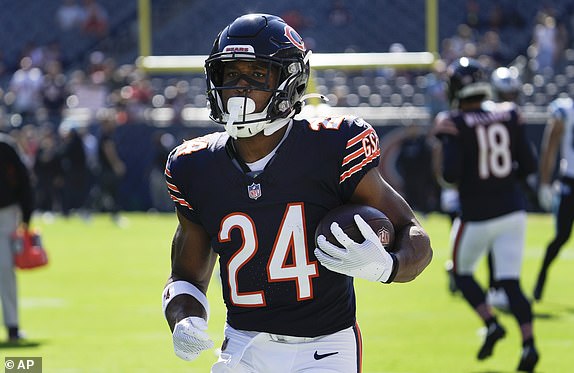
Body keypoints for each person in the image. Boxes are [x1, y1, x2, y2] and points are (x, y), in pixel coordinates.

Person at [162, 14, 433, 373]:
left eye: (257, 75)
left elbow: (416, 237)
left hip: (327, 347)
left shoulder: (333, 146)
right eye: (231, 75)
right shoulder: (194, 166)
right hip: (244, 347)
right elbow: (185, 276)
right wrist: (183, 319)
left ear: (290, 81)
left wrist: (388, 266)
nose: (240, 88)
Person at [432, 57, 539, 372]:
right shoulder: (509, 114)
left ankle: (491, 324)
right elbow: (529, 166)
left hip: (477, 214)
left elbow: (450, 175)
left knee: (460, 273)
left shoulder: (452, 121)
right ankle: (529, 344)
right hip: (513, 210)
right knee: (511, 283)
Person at [533, 96, 574, 301]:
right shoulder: (566, 110)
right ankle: (541, 276)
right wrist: (545, 182)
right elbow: (549, 147)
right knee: (562, 236)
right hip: (570, 183)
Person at [0, 133, 34, 342]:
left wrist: (26, 215)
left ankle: (12, 326)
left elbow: (23, 180)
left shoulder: (6, 147)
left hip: (6, 215)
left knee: (5, 269)